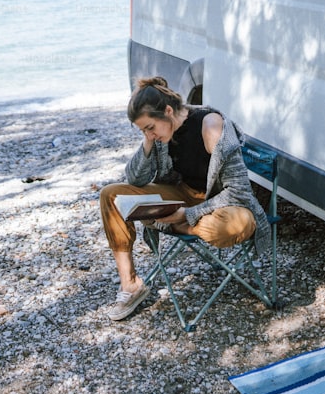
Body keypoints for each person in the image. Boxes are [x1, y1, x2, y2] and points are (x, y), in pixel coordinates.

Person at [99, 77, 271, 321]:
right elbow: (135, 179)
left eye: (150, 128)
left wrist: (186, 215)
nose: (150, 134)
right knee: (111, 195)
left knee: (236, 225)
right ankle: (131, 285)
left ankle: (166, 220)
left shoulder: (211, 126)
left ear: (168, 111)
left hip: (222, 204)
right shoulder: (162, 134)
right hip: (183, 195)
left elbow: (239, 191)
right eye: (143, 131)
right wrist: (148, 143)